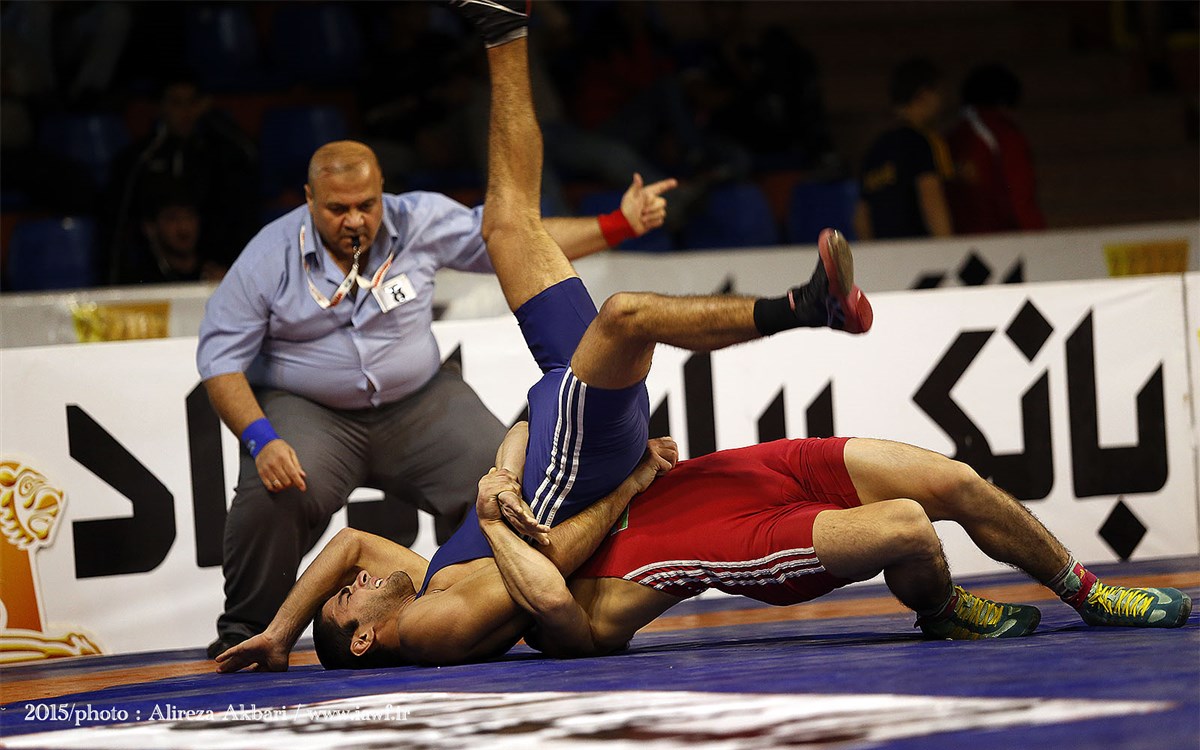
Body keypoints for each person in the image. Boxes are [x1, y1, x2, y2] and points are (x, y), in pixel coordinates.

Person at [214, 1, 872, 672]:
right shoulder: (427, 627)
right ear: (363, 638)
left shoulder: (427, 579)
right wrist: (611, 488)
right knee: (626, 317)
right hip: (569, 465)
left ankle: (505, 29)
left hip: (536, 425)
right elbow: (547, 588)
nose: (355, 581)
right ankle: (808, 306)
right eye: (346, 599)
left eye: (366, 204)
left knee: (506, 223)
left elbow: (348, 543)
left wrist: (283, 631)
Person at [196, 108, 679, 657]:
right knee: (276, 490)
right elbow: (219, 359)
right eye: (337, 209)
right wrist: (260, 438)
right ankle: (247, 631)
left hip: (420, 399)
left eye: (366, 205)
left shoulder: (419, 219)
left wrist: (617, 224)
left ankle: (518, 600)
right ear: (308, 199)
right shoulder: (268, 256)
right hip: (310, 409)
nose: (355, 220)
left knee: (507, 477)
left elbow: (519, 237)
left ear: (384, 191)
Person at [855, 57, 955, 241]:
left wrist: (873, 252)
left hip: (887, 253)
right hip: (922, 250)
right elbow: (931, 198)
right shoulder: (919, 142)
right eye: (939, 94)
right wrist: (948, 247)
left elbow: (861, 217)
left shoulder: (876, 149)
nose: (941, 102)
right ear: (924, 94)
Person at [945, 63, 1047, 235]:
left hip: (964, 237)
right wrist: (1036, 235)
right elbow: (1019, 192)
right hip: (1000, 235)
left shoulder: (953, 136)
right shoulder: (1001, 134)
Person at [115, 178, 226, 285]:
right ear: (150, 227)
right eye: (172, 218)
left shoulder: (216, 273)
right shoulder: (139, 280)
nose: (183, 227)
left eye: (189, 216)